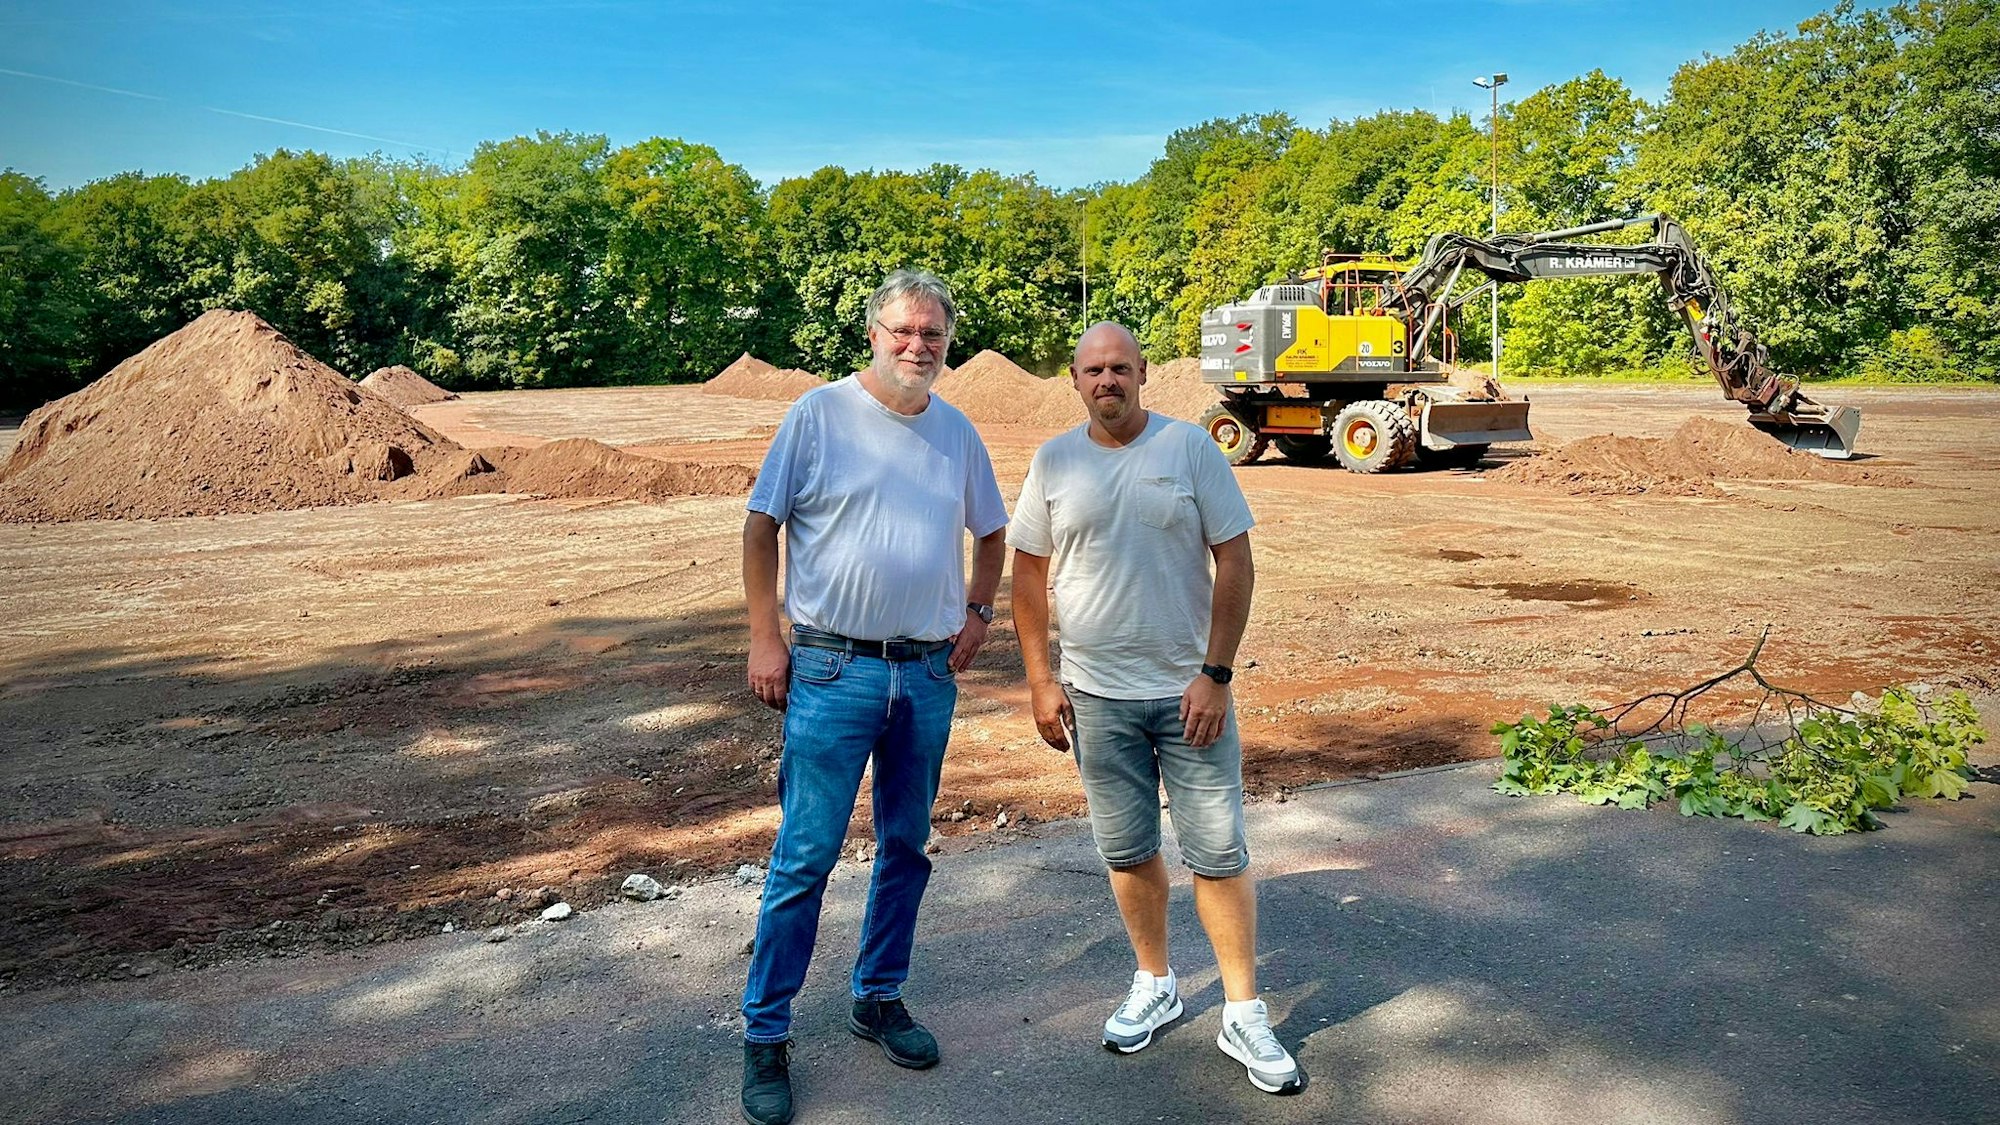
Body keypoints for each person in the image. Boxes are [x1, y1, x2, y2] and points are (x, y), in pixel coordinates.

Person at [737, 269, 1009, 1125]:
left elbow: (993, 530)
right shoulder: (817, 415)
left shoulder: (957, 431)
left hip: (926, 674)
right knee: (806, 856)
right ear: (872, 333)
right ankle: (765, 1032)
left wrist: (976, 613)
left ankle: (879, 994)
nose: (917, 345)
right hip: (829, 671)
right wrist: (764, 636)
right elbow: (760, 525)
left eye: (932, 334)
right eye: (903, 330)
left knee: (906, 847)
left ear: (947, 343)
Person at [1008, 322, 1304, 1095]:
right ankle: (1156, 980)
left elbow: (1234, 556)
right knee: (1128, 849)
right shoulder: (1054, 461)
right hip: (1096, 698)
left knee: (1218, 851)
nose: (1107, 381)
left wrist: (1217, 672)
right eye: (1092, 370)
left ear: (1143, 374)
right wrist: (1041, 679)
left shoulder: (1191, 450)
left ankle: (1243, 1009)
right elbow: (1030, 579)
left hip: (1189, 697)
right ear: (1074, 380)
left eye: (1119, 368)